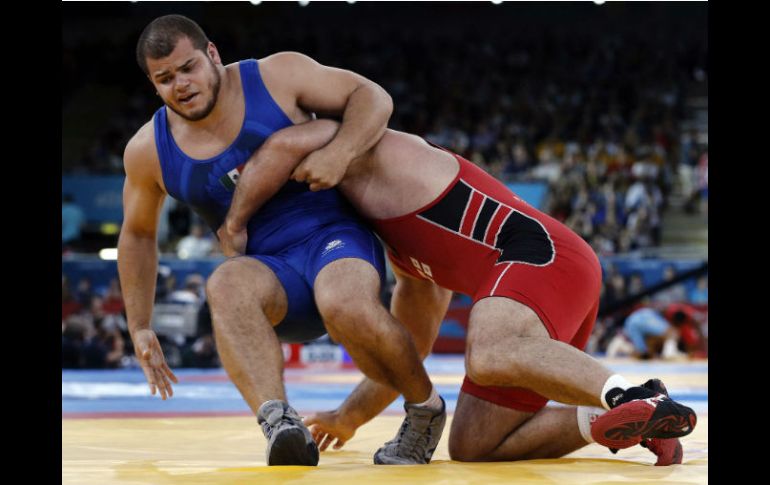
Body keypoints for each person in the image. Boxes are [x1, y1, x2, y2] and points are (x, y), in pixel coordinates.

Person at [220, 118, 697, 466]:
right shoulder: (404, 261)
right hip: (541, 282)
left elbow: (322, 126)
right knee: (474, 445)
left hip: (546, 257)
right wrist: (349, 417)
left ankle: (639, 395)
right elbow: (407, 354)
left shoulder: (382, 156)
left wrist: (236, 216)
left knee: (488, 351)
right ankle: (629, 423)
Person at [120, 15, 444, 466]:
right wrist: (139, 325)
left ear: (212, 53)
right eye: (165, 78)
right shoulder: (148, 150)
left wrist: (340, 152)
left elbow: (370, 95)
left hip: (333, 236)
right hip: (272, 272)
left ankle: (425, 409)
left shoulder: (276, 76)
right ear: (153, 85)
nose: (182, 84)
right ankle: (280, 423)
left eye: (188, 67)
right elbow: (137, 234)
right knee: (225, 284)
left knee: (343, 300)